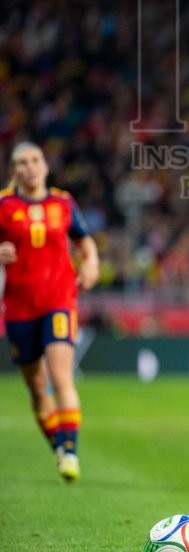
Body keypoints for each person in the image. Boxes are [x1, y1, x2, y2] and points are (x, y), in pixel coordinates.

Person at [0, 142, 99, 482]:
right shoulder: (3, 205)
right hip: (17, 308)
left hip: (59, 300)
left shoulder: (63, 202)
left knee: (61, 376)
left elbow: (85, 242)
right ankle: (57, 445)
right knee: (37, 387)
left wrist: (91, 263)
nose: (30, 167)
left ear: (44, 165)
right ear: (14, 170)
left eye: (35, 160)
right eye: (22, 162)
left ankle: (70, 451)